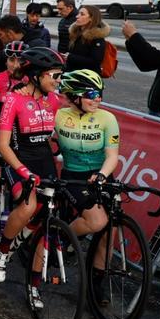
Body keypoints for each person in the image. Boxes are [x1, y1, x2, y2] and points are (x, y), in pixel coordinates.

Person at [0, 47, 65, 310]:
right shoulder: (13, 99)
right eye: (54, 76)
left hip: (43, 160)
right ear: (35, 75)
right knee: (30, 205)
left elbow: (53, 135)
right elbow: (2, 144)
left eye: (59, 76)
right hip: (17, 159)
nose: (58, 81)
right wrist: (23, 171)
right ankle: (3, 248)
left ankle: (34, 286)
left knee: (46, 223)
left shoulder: (53, 100)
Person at [53, 69, 120, 305]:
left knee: (107, 232)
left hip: (101, 174)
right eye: (91, 93)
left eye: (100, 93)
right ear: (74, 95)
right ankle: (59, 236)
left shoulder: (107, 119)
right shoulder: (58, 115)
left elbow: (113, 156)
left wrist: (102, 175)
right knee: (96, 221)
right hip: (74, 176)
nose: (97, 99)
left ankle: (96, 282)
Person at [63, 5, 110, 74]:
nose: (77, 16)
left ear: (91, 18)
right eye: (78, 13)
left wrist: (70, 57)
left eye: (82, 14)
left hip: (87, 78)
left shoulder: (97, 38)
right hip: (72, 75)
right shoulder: (76, 34)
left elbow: (95, 61)